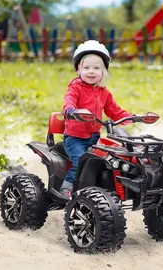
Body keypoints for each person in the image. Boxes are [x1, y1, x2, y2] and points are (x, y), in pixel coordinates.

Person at [60, 40, 132, 198]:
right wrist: (70, 110)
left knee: (106, 162)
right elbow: (69, 100)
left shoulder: (103, 92)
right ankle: (67, 189)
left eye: (96, 68)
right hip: (74, 138)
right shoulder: (75, 88)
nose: (91, 71)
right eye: (86, 67)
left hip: (94, 137)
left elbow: (114, 110)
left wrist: (128, 117)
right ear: (78, 69)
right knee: (80, 161)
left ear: (103, 71)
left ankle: (100, 190)